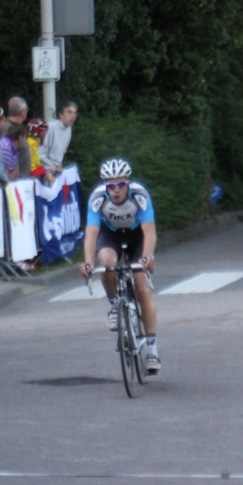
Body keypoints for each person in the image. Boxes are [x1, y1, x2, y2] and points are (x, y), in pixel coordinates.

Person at [78, 158, 161, 374]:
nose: (115, 190)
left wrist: (146, 258)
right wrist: (88, 262)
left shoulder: (139, 195)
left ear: (128, 183)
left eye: (120, 184)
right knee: (106, 262)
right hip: (111, 236)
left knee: (141, 287)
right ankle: (114, 303)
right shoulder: (98, 198)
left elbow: (150, 231)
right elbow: (91, 233)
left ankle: (152, 349)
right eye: (110, 185)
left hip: (137, 236)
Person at [39, 101, 77, 176]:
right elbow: (40, 154)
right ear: (61, 115)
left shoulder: (69, 129)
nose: (72, 116)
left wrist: (57, 166)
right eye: (69, 112)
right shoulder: (50, 128)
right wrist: (53, 167)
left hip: (57, 171)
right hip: (43, 171)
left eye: (75, 113)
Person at [6, 96, 32, 178]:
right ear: (22, 112)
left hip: (22, 179)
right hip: (14, 180)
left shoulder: (15, 127)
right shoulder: (7, 127)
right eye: (26, 110)